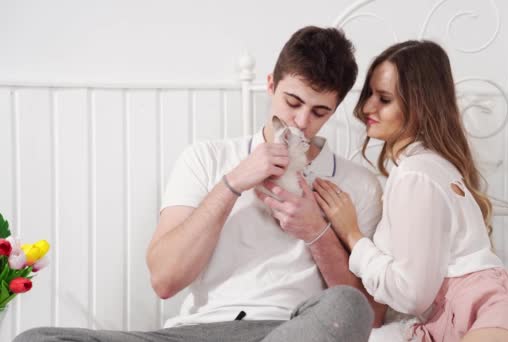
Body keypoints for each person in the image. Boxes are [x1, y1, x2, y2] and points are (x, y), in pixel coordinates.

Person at [15, 26, 386, 342]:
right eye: (292, 102)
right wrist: (232, 183)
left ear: (334, 111)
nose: (302, 122)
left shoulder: (359, 185)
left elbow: (370, 316)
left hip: (290, 329)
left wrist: (316, 231)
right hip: (198, 332)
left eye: (319, 112)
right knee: (36, 339)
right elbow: (165, 280)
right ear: (270, 85)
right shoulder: (207, 158)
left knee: (347, 307)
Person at [313, 40, 508, 342]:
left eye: (384, 99)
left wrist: (353, 237)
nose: (367, 107)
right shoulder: (426, 166)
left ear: (419, 105)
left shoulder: (417, 174)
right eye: (369, 94)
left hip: (499, 312)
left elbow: (412, 295)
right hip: (494, 313)